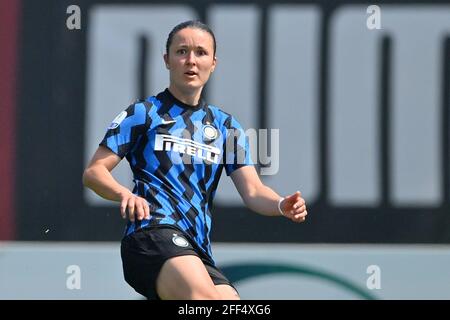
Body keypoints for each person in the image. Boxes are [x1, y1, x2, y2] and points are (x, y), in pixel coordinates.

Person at [82, 20, 308, 300]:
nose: (191, 60)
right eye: (181, 51)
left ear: (213, 63)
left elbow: (253, 191)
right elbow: (94, 172)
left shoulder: (227, 127)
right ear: (167, 60)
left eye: (201, 52)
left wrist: (279, 204)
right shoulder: (144, 113)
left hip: (196, 249)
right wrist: (123, 194)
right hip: (152, 233)